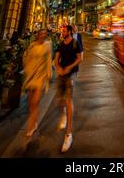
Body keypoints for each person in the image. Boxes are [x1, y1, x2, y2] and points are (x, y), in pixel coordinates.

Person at [54, 25, 83, 153]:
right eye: (62, 31)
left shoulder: (75, 43)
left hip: (71, 74)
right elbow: (55, 59)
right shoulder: (61, 44)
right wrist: (58, 68)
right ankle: (64, 114)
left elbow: (80, 58)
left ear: (70, 32)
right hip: (61, 74)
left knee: (68, 99)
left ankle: (68, 134)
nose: (63, 32)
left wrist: (70, 68)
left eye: (65, 31)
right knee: (59, 100)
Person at [23, 29, 52, 137]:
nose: (43, 36)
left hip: (40, 77)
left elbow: (49, 60)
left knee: (35, 102)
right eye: (42, 34)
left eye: (45, 34)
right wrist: (26, 71)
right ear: (38, 35)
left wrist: (48, 77)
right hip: (31, 75)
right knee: (31, 103)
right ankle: (34, 123)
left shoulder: (48, 45)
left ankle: (31, 126)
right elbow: (26, 58)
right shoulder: (32, 45)